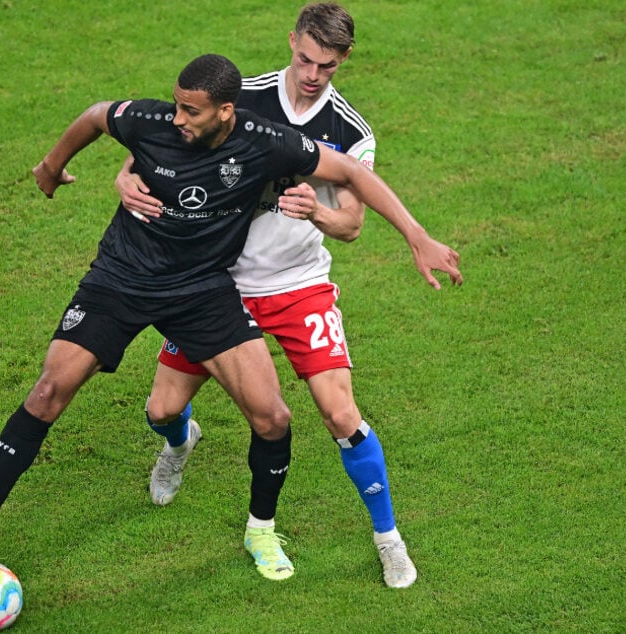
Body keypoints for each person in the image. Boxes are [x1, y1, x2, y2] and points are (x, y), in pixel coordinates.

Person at [0, 52, 459, 587]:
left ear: (225, 112)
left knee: (273, 417)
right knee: (48, 393)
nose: (178, 119)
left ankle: (260, 530)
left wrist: (418, 237)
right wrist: (50, 165)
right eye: (176, 105)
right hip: (121, 277)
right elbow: (94, 115)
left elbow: (348, 176)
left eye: (191, 111)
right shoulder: (154, 122)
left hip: (202, 290)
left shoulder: (263, 140)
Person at [116, 3, 461, 588]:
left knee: (340, 413)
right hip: (218, 283)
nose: (311, 73)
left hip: (299, 287)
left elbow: (351, 223)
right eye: (304, 58)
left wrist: (319, 216)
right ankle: (181, 442)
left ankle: (388, 540)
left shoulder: (350, 132)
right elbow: (164, 140)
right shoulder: (240, 99)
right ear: (292, 42)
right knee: (162, 409)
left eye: (325, 65)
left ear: (343, 60)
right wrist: (126, 175)